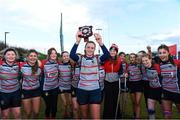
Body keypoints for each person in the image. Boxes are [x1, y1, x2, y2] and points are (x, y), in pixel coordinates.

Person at [70, 31, 109, 119]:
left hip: (95, 90)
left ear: (94, 49)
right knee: (84, 116)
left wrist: (100, 42)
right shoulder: (81, 59)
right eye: (88, 47)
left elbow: (107, 55)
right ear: (85, 48)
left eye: (92, 48)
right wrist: (77, 41)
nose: (90, 49)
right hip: (82, 90)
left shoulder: (97, 58)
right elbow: (72, 55)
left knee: (96, 118)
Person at [157, 44, 180, 119]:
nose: (162, 55)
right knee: (167, 115)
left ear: (168, 53)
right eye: (160, 53)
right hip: (166, 92)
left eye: (164, 52)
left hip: (177, 92)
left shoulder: (176, 63)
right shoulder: (158, 64)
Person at [103, 44, 123, 119]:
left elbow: (120, 71)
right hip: (107, 81)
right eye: (111, 50)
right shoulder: (106, 59)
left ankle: (117, 116)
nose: (112, 52)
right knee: (108, 99)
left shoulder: (119, 60)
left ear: (116, 52)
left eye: (114, 51)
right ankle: (108, 117)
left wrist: (123, 74)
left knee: (115, 99)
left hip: (116, 82)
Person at [0, 48, 21, 119]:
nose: (11, 56)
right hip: (4, 94)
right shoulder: (1, 66)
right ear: (4, 56)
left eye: (13, 54)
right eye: (8, 54)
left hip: (16, 92)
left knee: (17, 114)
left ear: (16, 56)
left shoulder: (19, 65)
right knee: (5, 116)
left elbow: (37, 63)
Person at [20, 49, 42, 118]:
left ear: (37, 57)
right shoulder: (22, 66)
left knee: (36, 112)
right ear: (27, 57)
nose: (33, 57)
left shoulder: (40, 67)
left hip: (36, 90)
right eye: (31, 56)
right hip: (26, 91)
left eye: (35, 56)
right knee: (28, 113)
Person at [142, 53, 162, 119]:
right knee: (150, 110)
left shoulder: (157, 66)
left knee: (166, 111)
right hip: (152, 90)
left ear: (150, 60)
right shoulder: (145, 68)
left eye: (146, 60)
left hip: (161, 91)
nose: (144, 62)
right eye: (143, 61)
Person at [41, 48, 59, 119]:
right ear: (49, 55)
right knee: (48, 106)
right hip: (46, 89)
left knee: (54, 106)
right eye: (52, 53)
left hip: (55, 88)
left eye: (55, 53)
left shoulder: (58, 63)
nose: (54, 55)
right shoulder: (43, 63)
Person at [126, 53, 143, 119]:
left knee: (137, 102)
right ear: (129, 58)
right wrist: (126, 74)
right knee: (133, 102)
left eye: (133, 57)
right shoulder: (128, 66)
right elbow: (126, 73)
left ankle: (137, 118)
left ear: (135, 58)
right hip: (131, 85)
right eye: (131, 57)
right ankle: (135, 115)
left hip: (139, 84)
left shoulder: (139, 65)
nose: (132, 58)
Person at [58, 51, 73, 118]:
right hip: (61, 87)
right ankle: (64, 116)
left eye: (67, 56)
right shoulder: (59, 66)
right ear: (62, 57)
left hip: (70, 86)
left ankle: (71, 115)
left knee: (70, 103)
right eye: (64, 56)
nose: (66, 57)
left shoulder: (72, 65)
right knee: (64, 104)